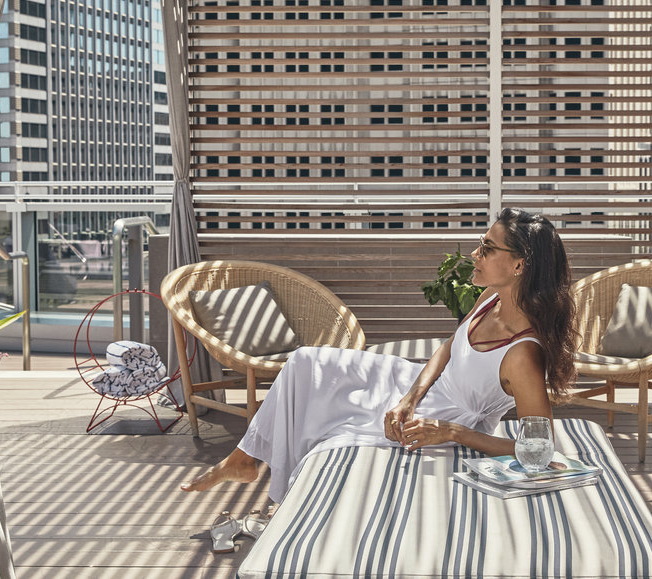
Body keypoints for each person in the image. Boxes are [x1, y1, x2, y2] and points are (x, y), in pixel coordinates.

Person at [180, 208, 577, 502]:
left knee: (334, 432)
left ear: (519, 264)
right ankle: (244, 458)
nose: (475, 253)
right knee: (304, 363)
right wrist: (409, 398)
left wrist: (451, 432)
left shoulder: (523, 355)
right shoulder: (492, 296)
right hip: (421, 387)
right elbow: (448, 348)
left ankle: (273, 479)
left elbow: (540, 450)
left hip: (448, 416)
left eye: (487, 248)